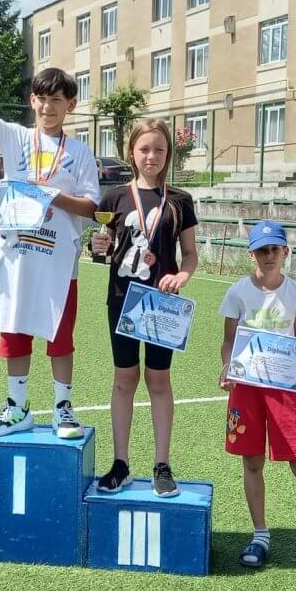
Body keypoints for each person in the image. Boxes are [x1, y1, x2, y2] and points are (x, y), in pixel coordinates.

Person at [0, 54, 99, 439]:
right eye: (42, 99)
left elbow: (92, 207)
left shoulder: (80, 153)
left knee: (61, 336)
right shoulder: (15, 137)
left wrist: (52, 197)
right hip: (16, 258)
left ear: (71, 105)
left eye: (57, 100)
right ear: (32, 100)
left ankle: (63, 408)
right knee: (14, 330)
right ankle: (18, 407)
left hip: (59, 262)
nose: (48, 107)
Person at [219, 220, 296, 572]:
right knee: (252, 462)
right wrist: (228, 366)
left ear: (285, 251)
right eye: (262, 250)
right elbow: (229, 340)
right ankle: (260, 535)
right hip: (246, 388)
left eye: (275, 249)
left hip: (282, 389)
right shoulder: (237, 292)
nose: (269, 256)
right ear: (252, 254)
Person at [89, 118, 198, 497]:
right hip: (122, 300)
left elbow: (191, 257)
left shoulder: (180, 200)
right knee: (123, 380)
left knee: (159, 381)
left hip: (162, 305)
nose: (152, 156)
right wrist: (97, 249)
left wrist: (183, 276)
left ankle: (162, 465)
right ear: (131, 153)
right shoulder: (114, 198)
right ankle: (120, 464)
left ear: (168, 155)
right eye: (144, 149)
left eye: (160, 150)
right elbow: (102, 250)